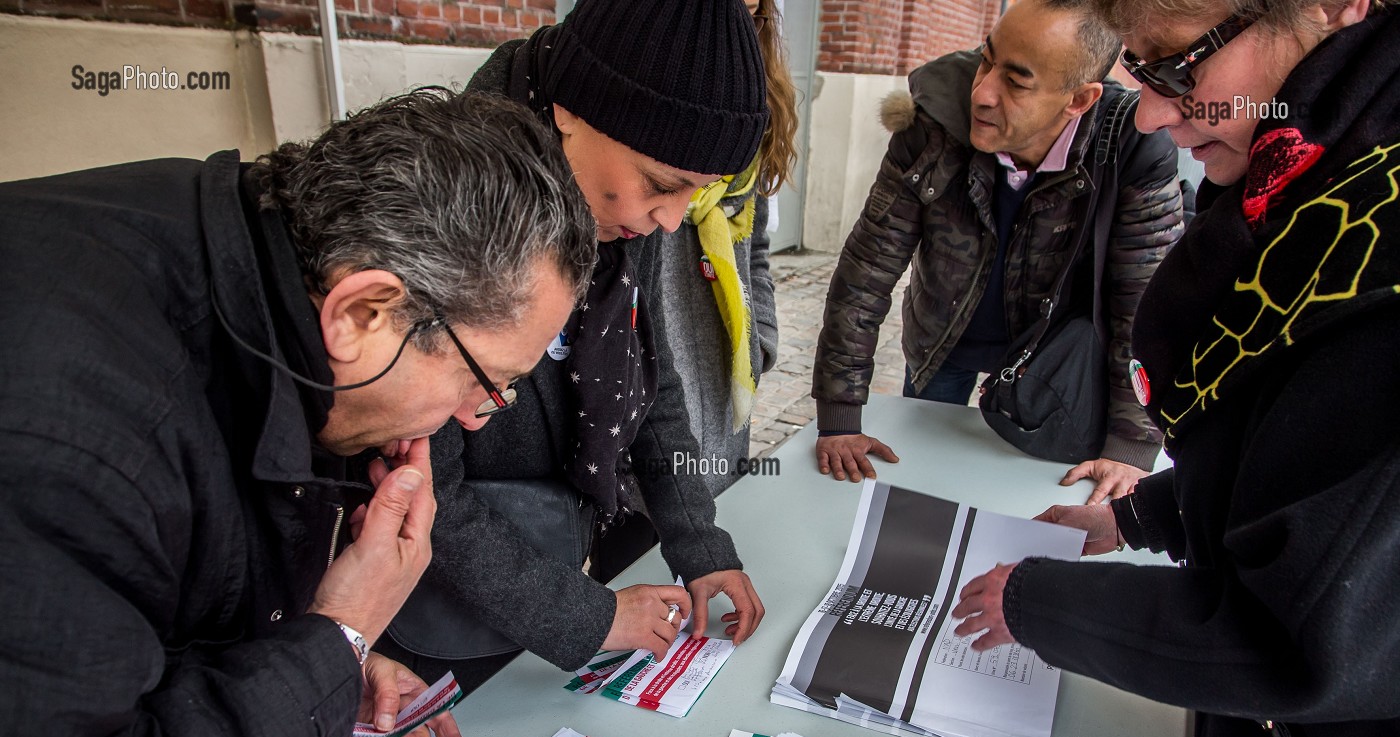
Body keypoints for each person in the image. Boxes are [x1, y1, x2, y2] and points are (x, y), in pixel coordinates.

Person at [0, 89, 596, 737]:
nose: (475, 415)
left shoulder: (253, 258)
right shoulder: (75, 449)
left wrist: (320, 672)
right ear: (364, 312)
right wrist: (338, 637)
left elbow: (163, 602)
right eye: (482, 378)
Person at [950, 0, 1400, 737]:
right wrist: (1145, 514)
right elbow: (1287, 461)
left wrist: (1041, 603)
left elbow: (1304, 633)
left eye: (1172, 65)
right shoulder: (1320, 177)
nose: (1154, 113)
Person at [378, 0, 768, 689]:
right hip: (445, 621)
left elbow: (650, 375)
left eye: (698, 194)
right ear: (570, 110)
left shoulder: (611, 204)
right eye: (660, 185)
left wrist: (696, 539)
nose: (670, 221)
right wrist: (589, 616)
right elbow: (422, 486)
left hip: (564, 567)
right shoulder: (443, 208)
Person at [811, 0, 1184, 504]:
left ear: (1079, 99)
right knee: (919, 484)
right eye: (986, 60)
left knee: (1026, 499)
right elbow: (867, 269)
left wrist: (1131, 444)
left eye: (1017, 81)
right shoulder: (932, 124)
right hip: (943, 342)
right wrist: (839, 414)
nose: (982, 93)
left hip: (1053, 363)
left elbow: (1143, 304)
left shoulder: (1133, 145)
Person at [654, 0, 799, 498]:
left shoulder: (756, 98)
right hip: (648, 379)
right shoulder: (643, 83)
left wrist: (760, 340)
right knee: (644, 546)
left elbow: (755, 245)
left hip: (724, 369)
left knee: (718, 534)